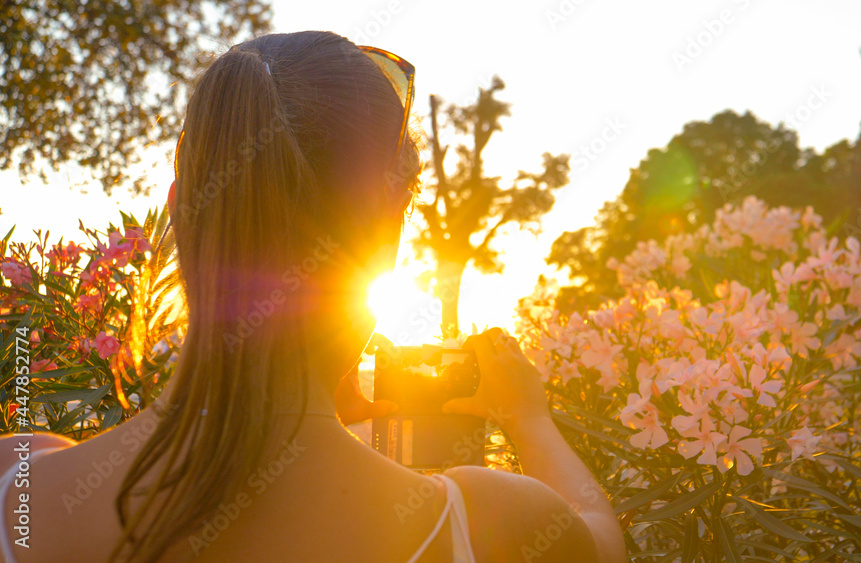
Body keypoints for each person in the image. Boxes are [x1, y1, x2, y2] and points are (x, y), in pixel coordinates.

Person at [0, 31, 627, 562]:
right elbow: (599, 541)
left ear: (178, 211)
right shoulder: (483, 525)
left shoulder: (16, 490)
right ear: (386, 236)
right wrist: (528, 418)